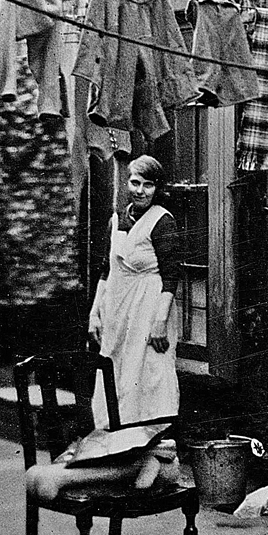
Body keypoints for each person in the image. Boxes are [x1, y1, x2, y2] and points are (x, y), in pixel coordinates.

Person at [88, 154, 182, 439]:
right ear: (127, 183)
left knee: (149, 376)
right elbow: (106, 270)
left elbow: (171, 277)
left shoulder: (162, 222)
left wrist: (160, 322)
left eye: (148, 185)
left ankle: (148, 446)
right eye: (135, 182)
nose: (140, 191)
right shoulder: (116, 220)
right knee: (114, 371)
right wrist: (94, 314)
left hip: (149, 311)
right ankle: (113, 442)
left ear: (157, 188)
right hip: (117, 312)